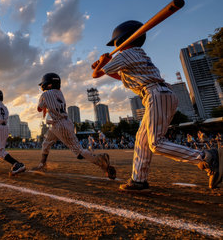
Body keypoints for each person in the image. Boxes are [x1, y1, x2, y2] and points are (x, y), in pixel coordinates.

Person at [92, 20, 222, 190]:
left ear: (121, 40)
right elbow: (118, 75)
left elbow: (95, 75)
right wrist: (103, 65)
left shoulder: (126, 54)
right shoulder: (138, 54)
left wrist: (102, 62)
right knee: (142, 140)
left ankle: (206, 157)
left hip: (155, 94)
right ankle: (138, 180)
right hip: (161, 94)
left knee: (155, 143)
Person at [32, 73, 117, 179]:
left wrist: (44, 105)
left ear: (49, 84)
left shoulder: (45, 95)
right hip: (60, 123)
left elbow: (39, 108)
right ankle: (42, 165)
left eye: (44, 84)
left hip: (59, 124)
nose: (42, 86)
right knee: (46, 143)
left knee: (78, 152)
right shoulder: (60, 92)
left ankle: (100, 160)